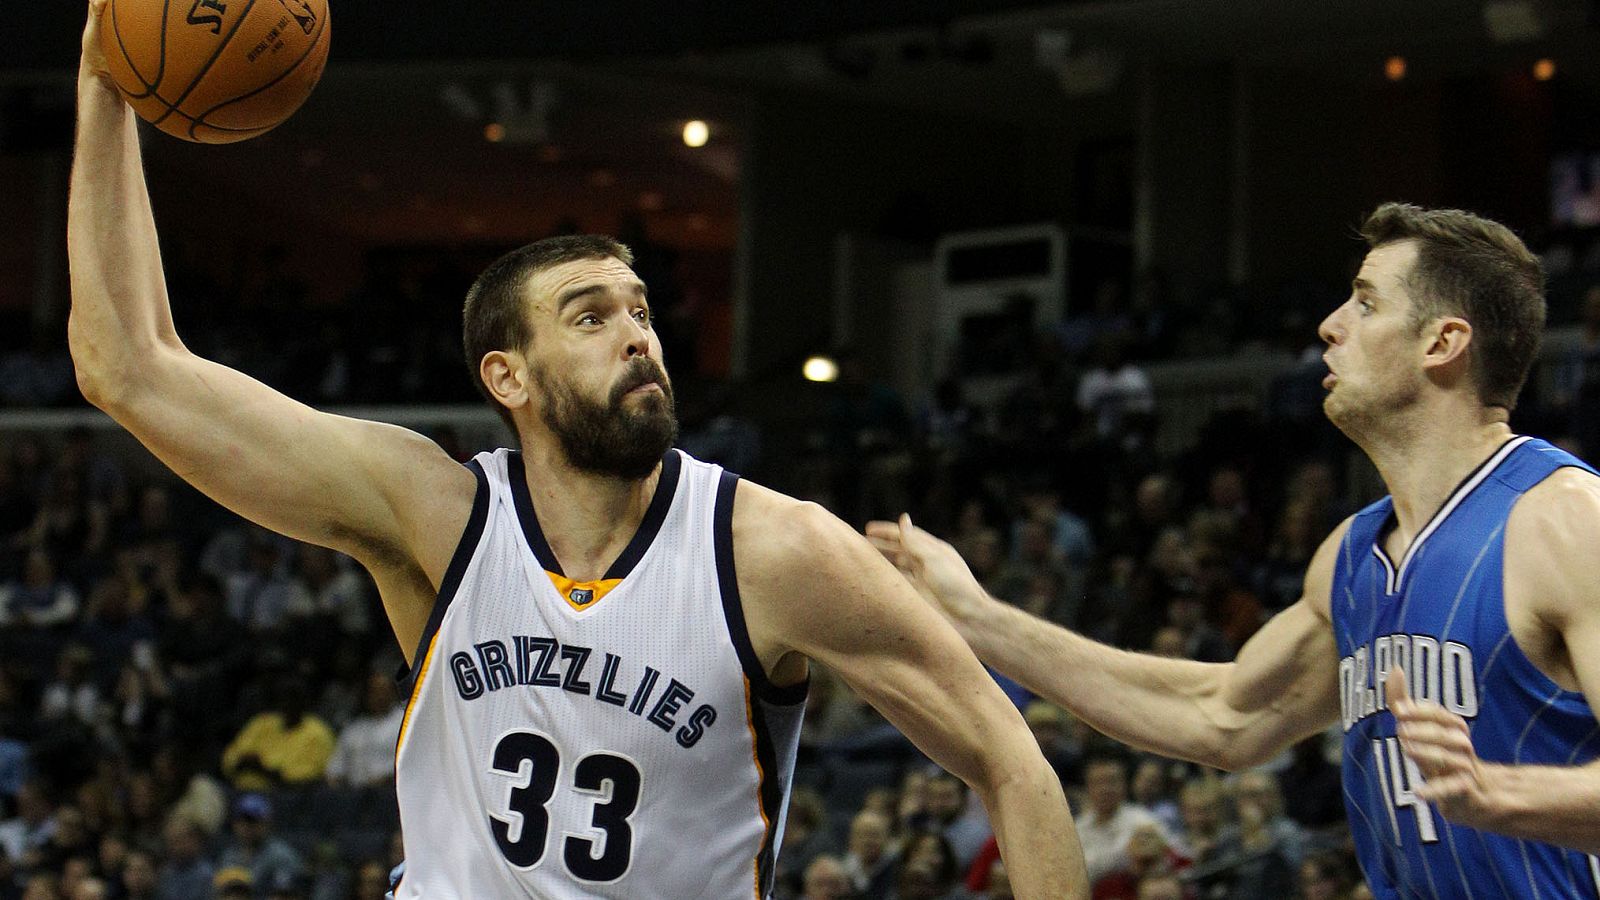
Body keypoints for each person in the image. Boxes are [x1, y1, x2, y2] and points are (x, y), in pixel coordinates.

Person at [66, 4, 1085, 898]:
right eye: (590, 317)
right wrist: (105, 79)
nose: (637, 336)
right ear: (506, 376)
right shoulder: (433, 513)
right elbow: (129, 368)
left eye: (640, 310)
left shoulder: (777, 552)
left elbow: (1014, 764)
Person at [870, 203, 1600, 896]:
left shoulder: (1565, 521)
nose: (1330, 326)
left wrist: (1499, 792)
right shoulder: (1350, 557)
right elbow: (1222, 717)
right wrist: (975, 616)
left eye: (1366, 303)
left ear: (1442, 343)